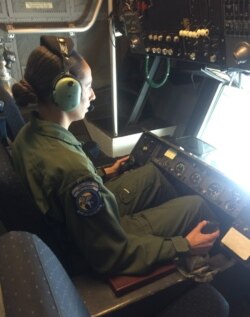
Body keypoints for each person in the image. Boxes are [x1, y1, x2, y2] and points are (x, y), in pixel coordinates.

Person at [11, 35, 220, 276]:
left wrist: (101, 173)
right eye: (88, 86)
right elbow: (111, 253)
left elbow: (59, 187)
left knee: (155, 176)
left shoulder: (29, 132)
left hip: (73, 225)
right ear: (66, 93)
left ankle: (167, 227)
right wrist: (184, 245)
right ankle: (194, 269)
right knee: (196, 206)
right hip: (93, 245)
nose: (92, 95)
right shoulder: (75, 174)